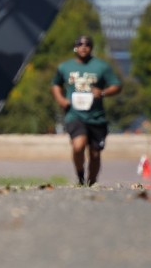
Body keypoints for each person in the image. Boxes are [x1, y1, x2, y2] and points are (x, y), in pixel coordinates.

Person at [50, 35, 122, 186]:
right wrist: (61, 100)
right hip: (74, 114)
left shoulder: (102, 66)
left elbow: (116, 85)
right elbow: (55, 84)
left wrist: (102, 92)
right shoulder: (65, 67)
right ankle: (80, 175)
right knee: (78, 145)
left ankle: (91, 182)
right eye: (80, 44)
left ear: (91, 48)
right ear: (75, 47)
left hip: (96, 116)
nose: (83, 47)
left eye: (87, 44)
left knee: (95, 154)